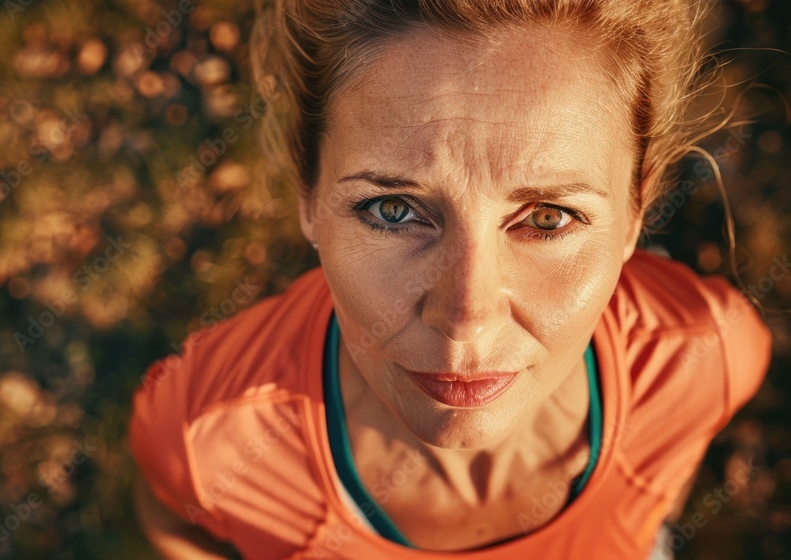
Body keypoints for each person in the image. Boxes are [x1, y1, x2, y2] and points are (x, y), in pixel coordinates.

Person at [129, 1, 773, 558]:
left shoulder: (702, 357)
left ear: (637, 208)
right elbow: (175, 520)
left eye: (547, 217)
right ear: (308, 193)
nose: (468, 317)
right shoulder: (209, 431)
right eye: (393, 210)